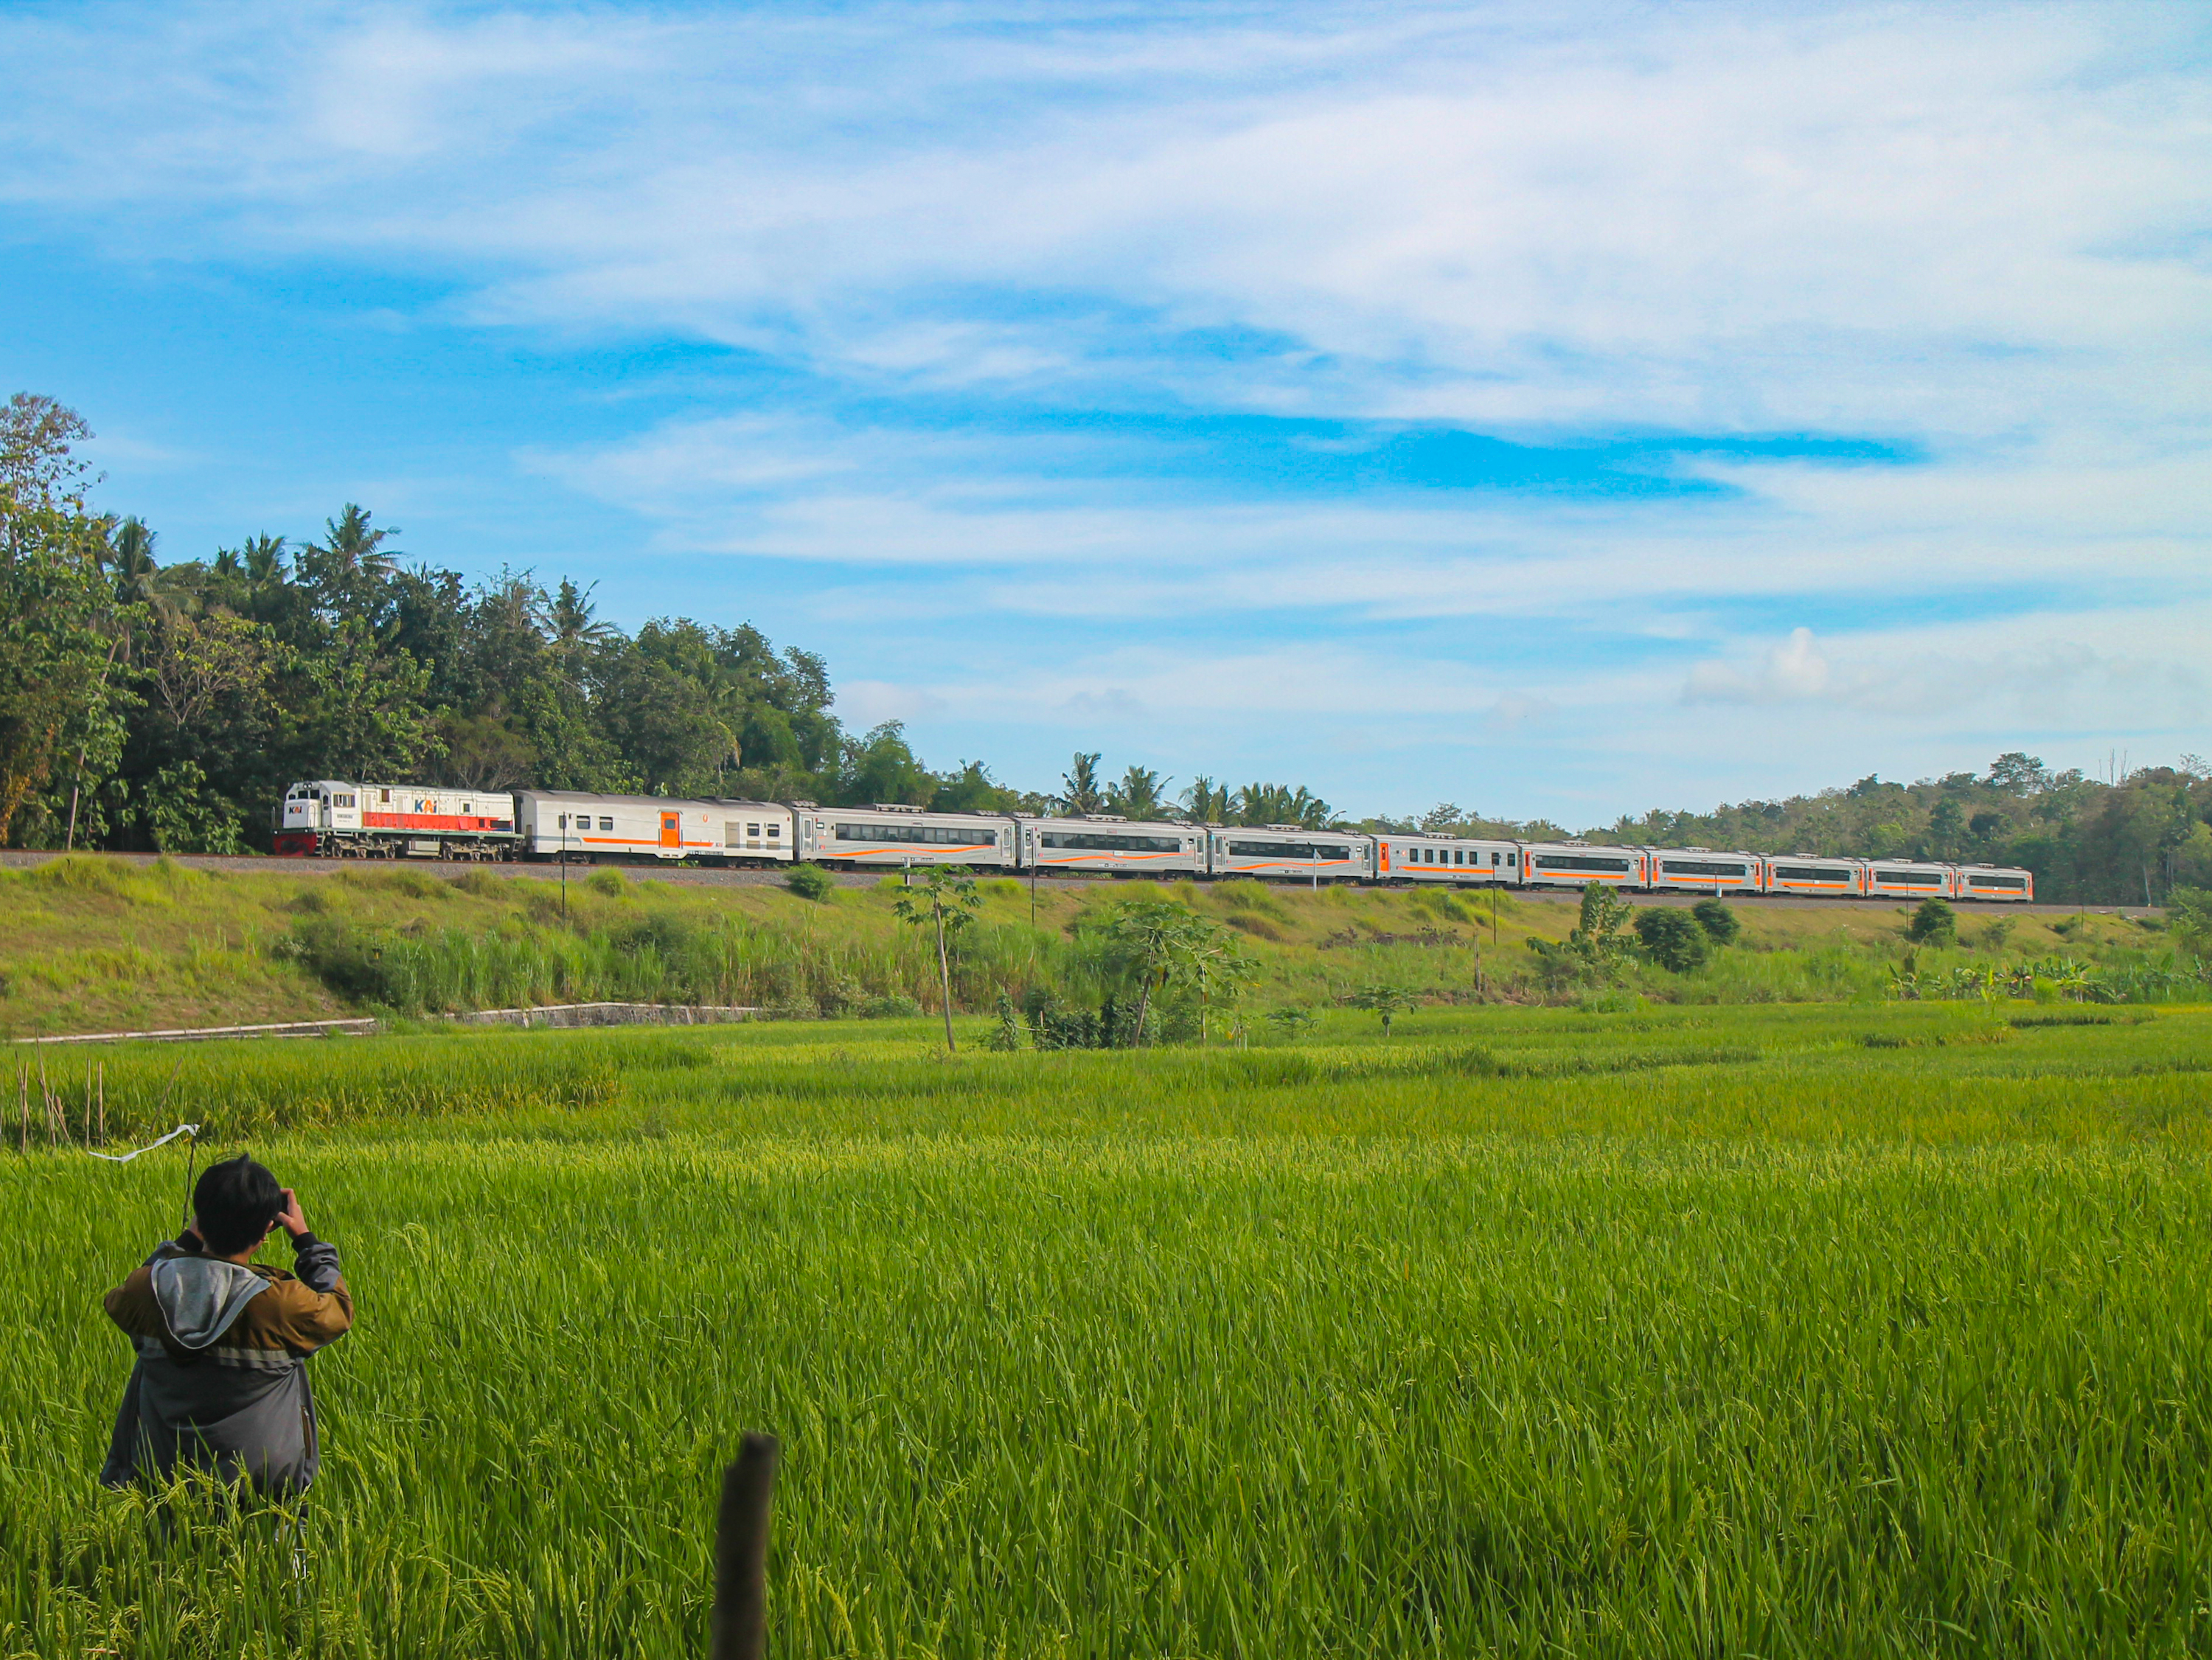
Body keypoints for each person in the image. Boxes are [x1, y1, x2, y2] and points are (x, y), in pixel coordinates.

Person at [101, 1153, 353, 1498]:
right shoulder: (278, 1304)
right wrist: (306, 1240)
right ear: (267, 1228)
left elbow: (124, 1293)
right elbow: (338, 1309)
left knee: (170, 1550)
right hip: (262, 1488)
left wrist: (188, 1241)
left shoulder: (147, 1292)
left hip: (166, 1480)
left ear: (200, 1218)